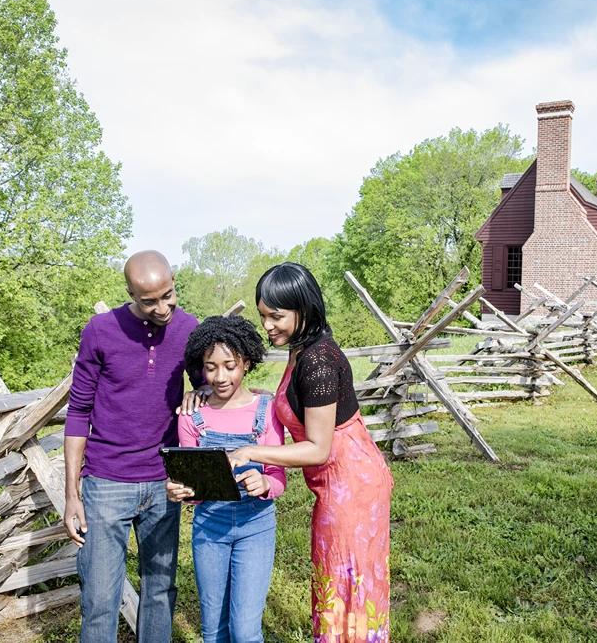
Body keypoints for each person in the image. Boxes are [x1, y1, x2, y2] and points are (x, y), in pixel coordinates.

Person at [213, 262, 394, 642]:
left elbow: (317, 448)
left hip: (352, 488)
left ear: (304, 309)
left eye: (276, 316)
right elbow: (293, 404)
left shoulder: (317, 361)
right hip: (335, 485)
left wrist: (251, 451)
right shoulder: (300, 350)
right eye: (263, 316)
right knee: (335, 578)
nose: (267, 326)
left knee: (349, 583)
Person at [63, 250, 204, 643]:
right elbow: (78, 413)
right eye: (150, 301)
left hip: (164, 482)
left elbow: (209, 385)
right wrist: (72, 494)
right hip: (106, 483)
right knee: (99, 598)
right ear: (129, 293)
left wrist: (203, 391)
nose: (163, 308)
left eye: (169, 295)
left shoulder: (189, 328)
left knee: (160, 591)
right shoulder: (100, 330)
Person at [166, 315, 286, 643]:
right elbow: (194, 492)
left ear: (246, 362)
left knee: (245, 631)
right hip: (209, 529)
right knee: (213, 631)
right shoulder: (192, 417)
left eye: (229, 366)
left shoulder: (267, 410)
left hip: (256, 526)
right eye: (210, 367)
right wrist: (181, 490)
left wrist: (266, 485)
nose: (220, 376)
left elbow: (278, 476)